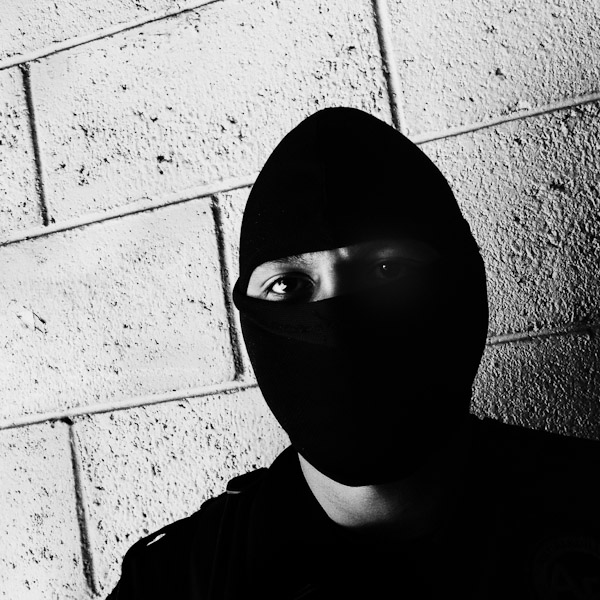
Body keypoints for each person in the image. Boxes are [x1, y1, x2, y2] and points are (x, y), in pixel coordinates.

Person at [107, 107, 600, 599]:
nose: (338, 322)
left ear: (463, 293)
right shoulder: (174, 582)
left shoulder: (583, 501)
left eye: (387, 270)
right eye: (289, 284)